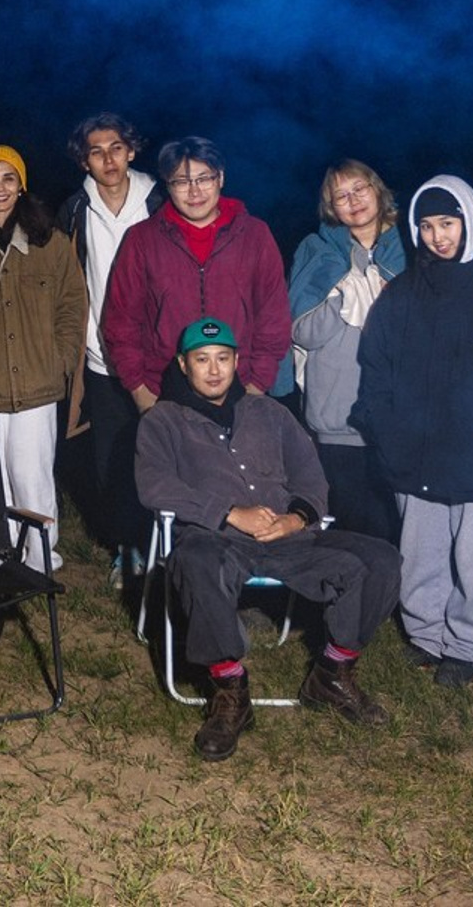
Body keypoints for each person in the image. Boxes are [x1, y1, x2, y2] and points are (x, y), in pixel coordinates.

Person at [136, 317, 399, 762]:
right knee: (195, 562)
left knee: (380, 558)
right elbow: (155, 486)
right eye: (202, 360)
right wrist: (228, 513)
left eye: (223, 359)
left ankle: (332, 675)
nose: (214, 369)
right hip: (217, 540)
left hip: (288, 539)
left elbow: (310, 475)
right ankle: (230, 693)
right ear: (184, 365)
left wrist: (297, 519)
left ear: (237, 361)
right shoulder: (162, 421)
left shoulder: (271, 413)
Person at [355, 177, 473, 687]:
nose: (438, 236)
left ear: (469, 223)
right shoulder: (403, 292)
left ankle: (467, 645)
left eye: (448, 223)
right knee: (420, 554)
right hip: (414, 450)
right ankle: (426, 635)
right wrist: (384, 431)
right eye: (426, 225)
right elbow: (374, 366)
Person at [0, 146, 86, 570]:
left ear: (21, 186)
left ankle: (39, 553)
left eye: (8, 178)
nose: (0, 188)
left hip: (37, 382)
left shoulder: (51, 242)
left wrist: (62, 359)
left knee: (32, 474)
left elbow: (73, 304)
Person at [102, 136, 290, 415]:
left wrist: (257, 385)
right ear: (168, 186)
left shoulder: (255, 234)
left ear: (221, 178)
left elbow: (273, 316)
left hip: (240, 387)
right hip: (164, 389)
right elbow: (121, 322)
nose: (194, 191)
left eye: (204, 178)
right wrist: (140, 391)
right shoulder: (142, 239)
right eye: (181, 181)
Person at [57, 112, 163, 589]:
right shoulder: (74, 209)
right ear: (85, 159)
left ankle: (170, 546)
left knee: (164, 455)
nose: (108, 158)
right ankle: (128, 548)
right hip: (102, 360)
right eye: (97, 151)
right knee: (111, 460)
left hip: (160, 360)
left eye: (116, 147)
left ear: (132, 150)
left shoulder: (159, 200)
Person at [278, 160, 405, 543]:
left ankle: (405, 604)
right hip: (338, 416)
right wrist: (342, 296)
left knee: (401, 531)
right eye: (341, 196)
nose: (353, 201)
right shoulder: (316, 250)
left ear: (377, 189)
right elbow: (302, 331)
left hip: (400, 417)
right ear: (330, 207)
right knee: (348, 530)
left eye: (359, 189)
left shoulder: (411, 244)